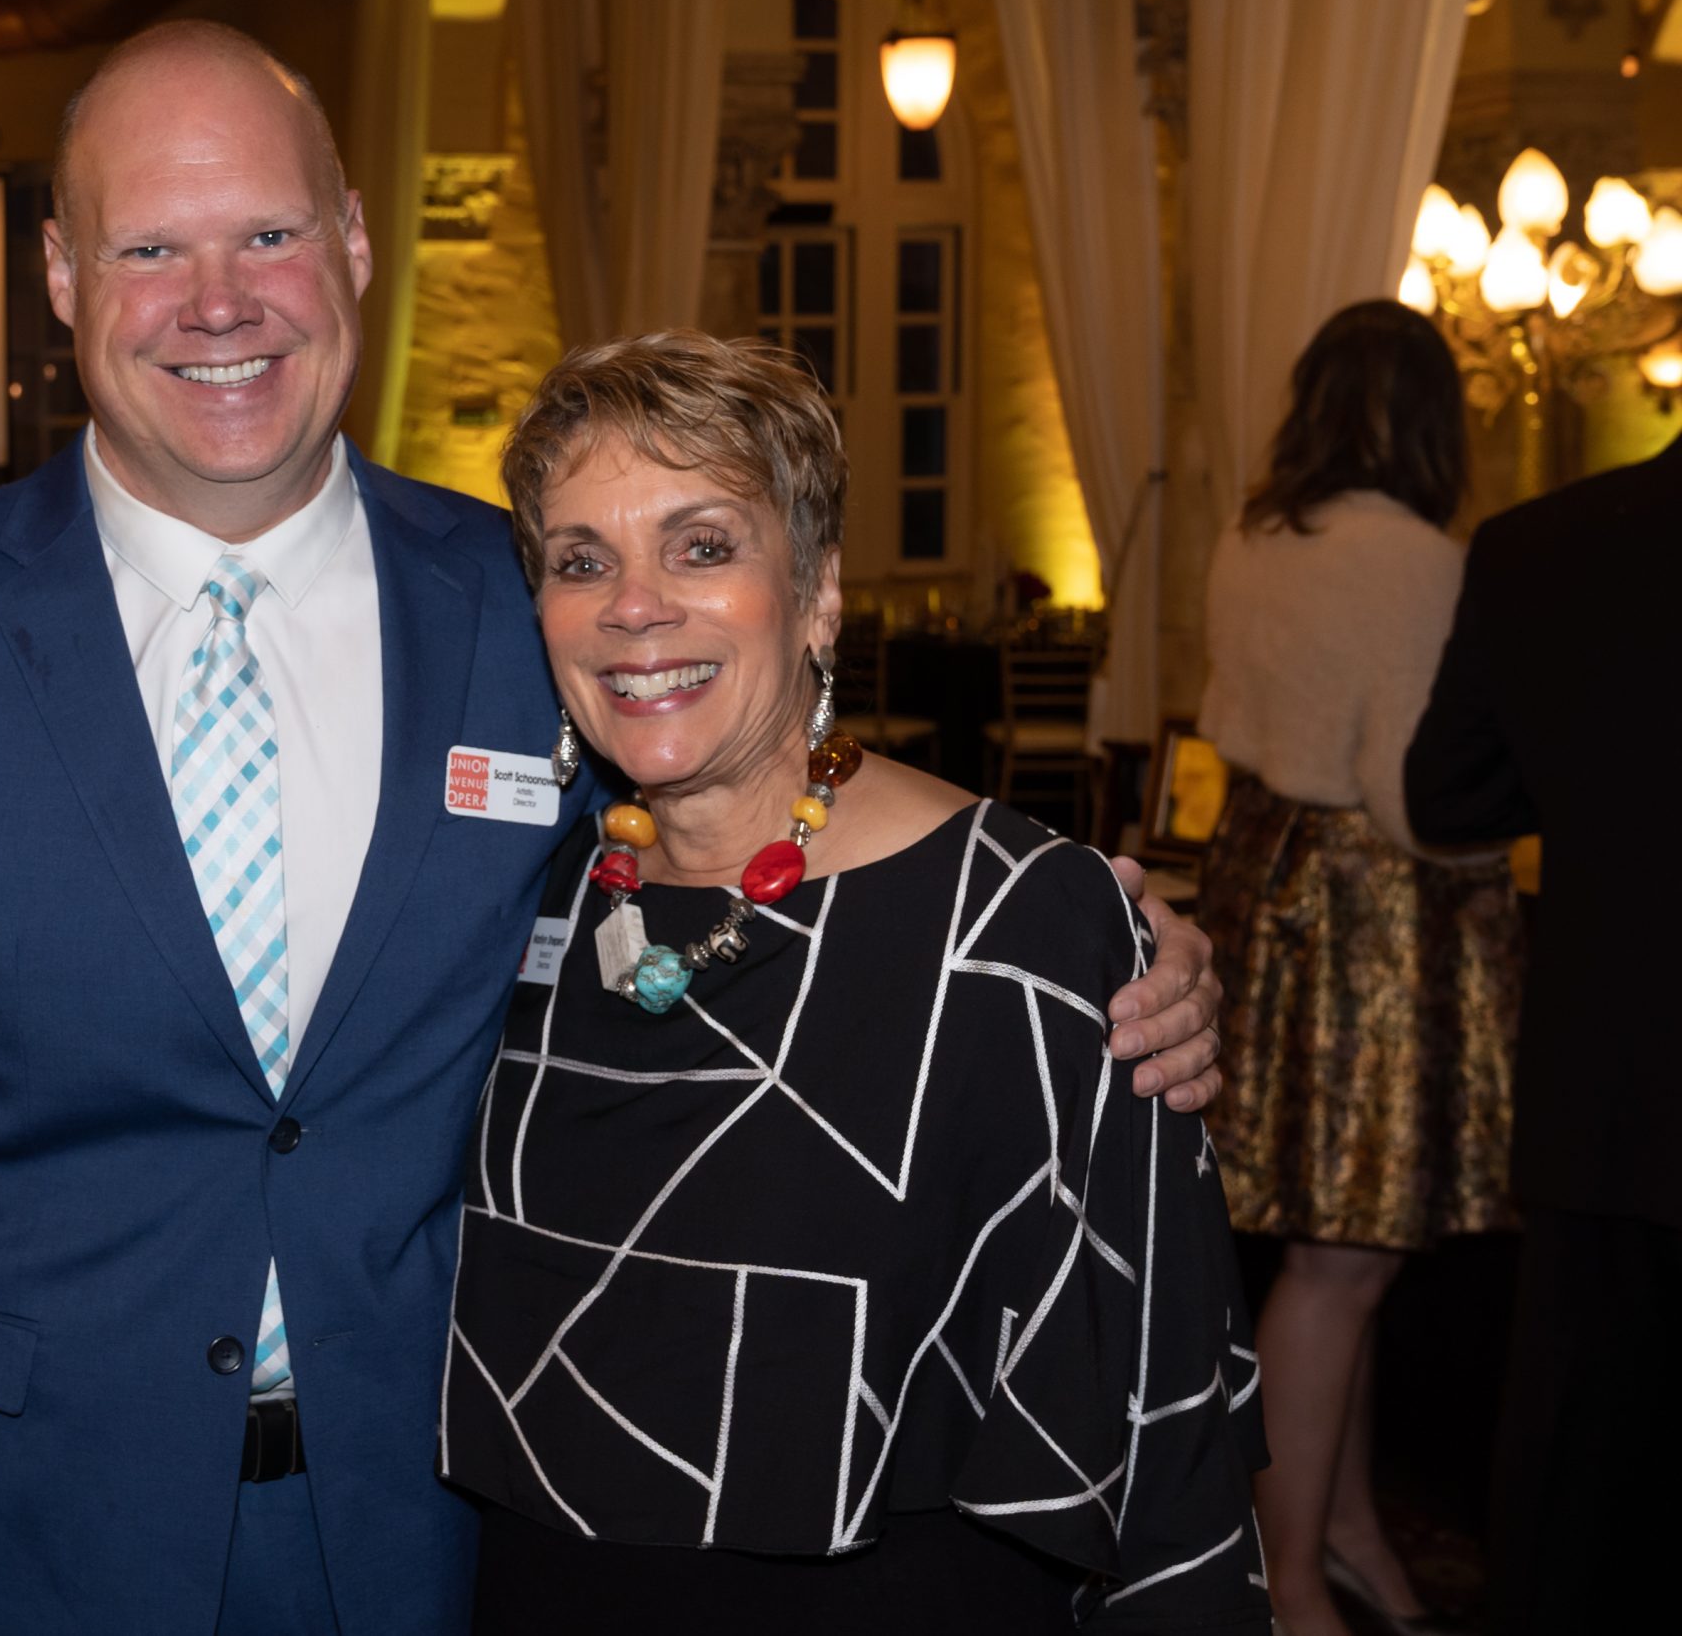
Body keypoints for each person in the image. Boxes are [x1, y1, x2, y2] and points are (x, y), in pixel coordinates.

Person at [0, 20, 1226, 1636]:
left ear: (354, 241)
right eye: (151, 248)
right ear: (63, 275)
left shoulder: (531, 598)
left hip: (426, 1527)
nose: (220, 301)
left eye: (268, 233)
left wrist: (1077, 936)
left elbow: (752, 786)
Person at [439, 331, 1268, 1633]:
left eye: (702, 546)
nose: (633, 605)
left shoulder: (1020, 926)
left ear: (818, 591)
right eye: (581, 560)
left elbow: (1162, 1431)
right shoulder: (533, 890)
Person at [1196, 301, 1521, 1636]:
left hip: (1260, 881)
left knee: (1341, 1250)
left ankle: (1345, 1530)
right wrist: (1511, 831)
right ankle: (1285, 1582)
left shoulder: (1251, 535)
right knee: (1342, 1263)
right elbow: (1407, 795)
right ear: (1433, 418)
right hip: (1366, 920)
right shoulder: (1419, 561)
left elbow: (1233, 723)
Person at [1405, 427, 1680, 1636]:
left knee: (1586, 1498)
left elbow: (1446, 793)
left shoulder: (1539, 546)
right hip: (1605, 1099)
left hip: (1608, 1093)